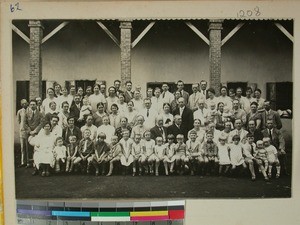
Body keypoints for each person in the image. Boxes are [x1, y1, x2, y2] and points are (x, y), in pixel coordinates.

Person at [25, 99, 44, 167]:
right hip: (29, 133)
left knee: (37, 147)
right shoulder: (26, 113)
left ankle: (35, 162)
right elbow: (25, 123)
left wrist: (35, 131)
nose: (32, 106)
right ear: (29, 105)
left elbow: (41, 123)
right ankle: (28, 162)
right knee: (28, 147)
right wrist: (30, 131)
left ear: (36, 105)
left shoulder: (40, 113)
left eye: (34, 104)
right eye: (31, 104)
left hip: (37, 133)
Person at [17, 99, 29, 167]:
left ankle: (28, 162)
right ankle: (22, 162)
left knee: (28, 147)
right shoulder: (20, 111)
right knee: (22, 147)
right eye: (23, 104)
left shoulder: (29, 110)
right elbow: (18, 121)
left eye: (25, 103)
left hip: (27, 130)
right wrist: (22, 127)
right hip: (22, 130)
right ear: (21, 105)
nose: (24, 104)